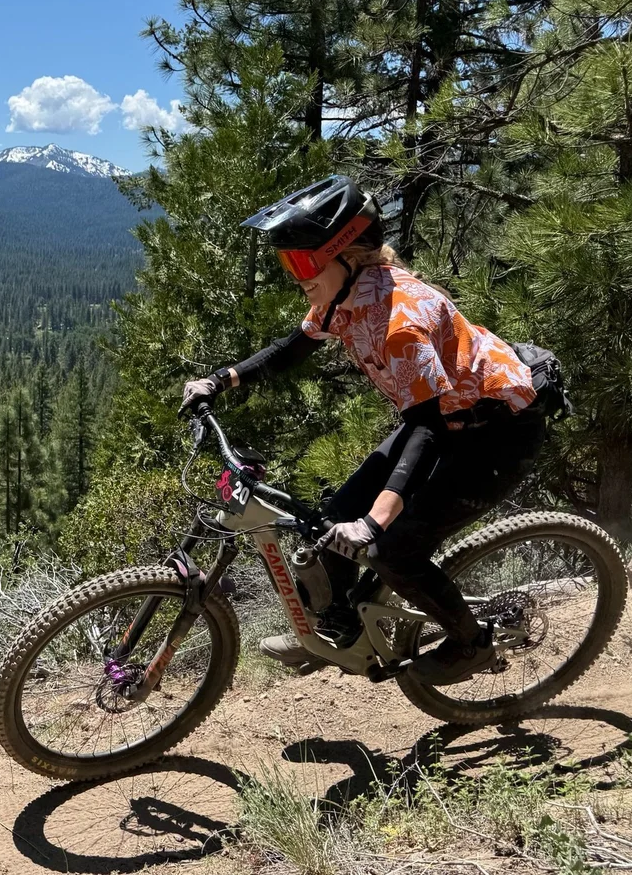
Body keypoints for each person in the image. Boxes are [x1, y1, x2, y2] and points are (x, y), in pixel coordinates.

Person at [182, 175, 549, 686]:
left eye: (304, 262)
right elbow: (291, 350)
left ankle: (472, 643)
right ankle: (338, 630)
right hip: (442, 419)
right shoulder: (341, 298)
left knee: (392, 549)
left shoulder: (399, 322)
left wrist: (375, 521)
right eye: (290, 263)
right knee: (334, 519)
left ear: (349, 256)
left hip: (495, 433)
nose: (296, 275)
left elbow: (428, 431)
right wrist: (220, 379)